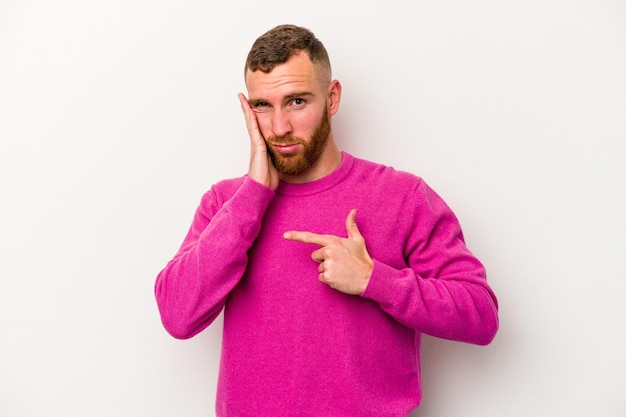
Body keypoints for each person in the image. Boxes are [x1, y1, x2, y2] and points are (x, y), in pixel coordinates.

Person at [155, 24, 499, 417]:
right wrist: (253, 195)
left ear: (332, 98)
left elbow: (480, 315)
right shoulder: (226, 203)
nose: (279, 127)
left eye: (297, 101)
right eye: (263, 106)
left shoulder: (401, 196)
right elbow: (177, 316)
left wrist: (375, 280)